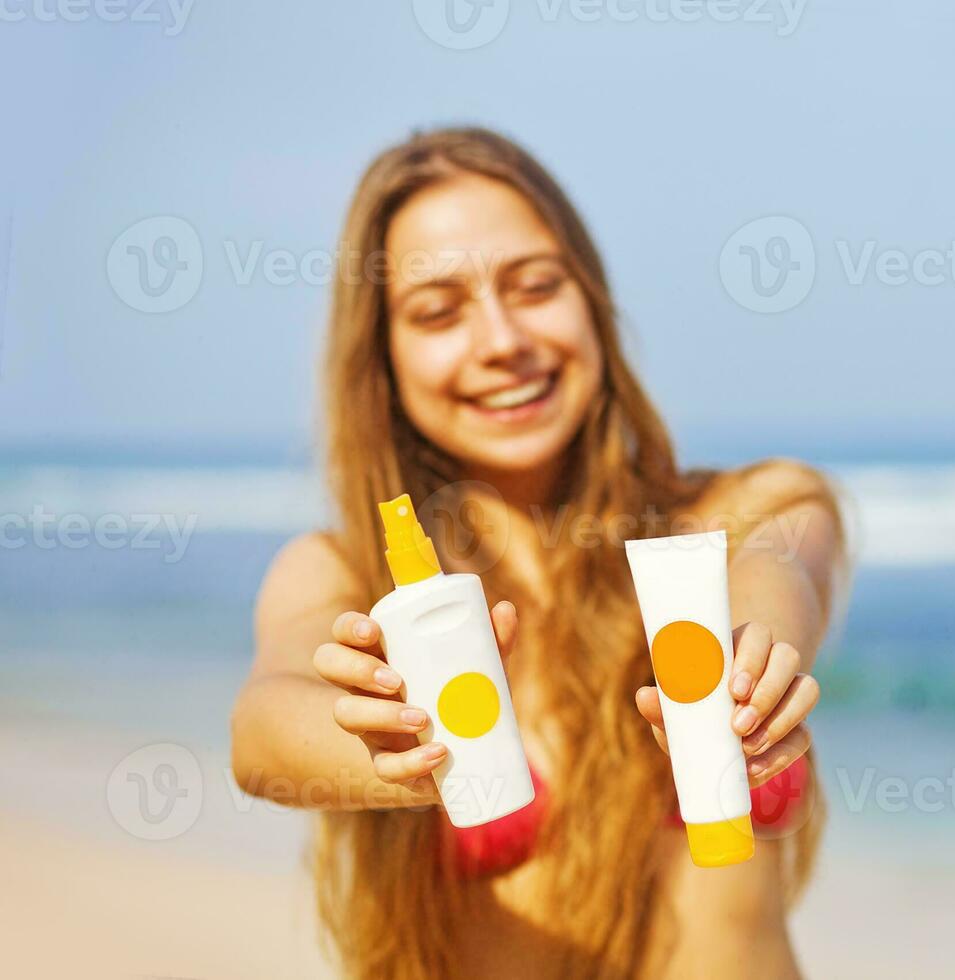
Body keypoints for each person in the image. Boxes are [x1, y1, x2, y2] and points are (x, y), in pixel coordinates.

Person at [229, 127, 847, 979]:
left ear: (591, 300)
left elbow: (777, 574)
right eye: (439, 311)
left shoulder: (753, 507)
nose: (500, 340)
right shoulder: (342, 573)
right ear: (383, 356)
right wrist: (385, 751)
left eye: (535, 287)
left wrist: (750, 670)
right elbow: (264, 730)